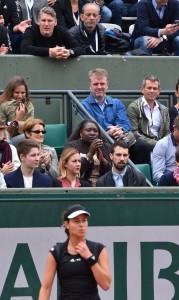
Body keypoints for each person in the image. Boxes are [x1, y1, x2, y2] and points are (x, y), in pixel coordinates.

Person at [38, 204, 111, 300]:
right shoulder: (56, 252)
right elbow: (46, 289)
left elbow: (106, 285)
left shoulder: (99, 249)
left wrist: (90, 257)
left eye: (84, 220)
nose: (81, 225)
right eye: (76, 221)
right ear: (66, 224)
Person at [81, 68, 152, 164]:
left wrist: (120, 130)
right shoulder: (84, 105)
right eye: (95, 84)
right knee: (110, 149)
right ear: (90, 86)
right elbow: (90, 129)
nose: (99, 87)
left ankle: (139, 178)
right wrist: (107, 133)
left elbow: (125, 124)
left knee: (143, 146)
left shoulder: (116, 103)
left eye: (102, 84)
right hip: (101, 142)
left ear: (107, 85)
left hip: (120, 140)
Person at [127, 75, 170, 164]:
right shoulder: (134, 107)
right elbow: (134, 133)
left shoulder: (164, 110)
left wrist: (163, 144)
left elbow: (167, 132)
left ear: (159, 91)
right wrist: (156, 144)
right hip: (142, 146)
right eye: (149, 88)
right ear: (142, 89)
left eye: (155, 88)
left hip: (161, 145)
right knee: (143, 146)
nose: (152, 91)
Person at [21, 6, 85, 58]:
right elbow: (25, 48)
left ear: (55, 22)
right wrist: (50, 51)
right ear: (38, 22)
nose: (46, 24)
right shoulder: (31, 31)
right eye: (43, 20)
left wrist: (69, 52)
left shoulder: (61, 31)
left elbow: (80, 49)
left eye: (49, 21)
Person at [65, 120, 111, 186]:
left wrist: (103, 161)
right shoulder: (72, 146)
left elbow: (113, 173)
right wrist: (90, 154)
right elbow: (72, 172)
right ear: (81, 133)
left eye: (95, 131)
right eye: (88, 130)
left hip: (103, 185)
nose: (92, 133)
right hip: (80, 185)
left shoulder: (106, 146)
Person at [0, 76, 34, 146]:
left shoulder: (29, 105)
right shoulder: (3, 105)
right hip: (7, 139)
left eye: (23, 93)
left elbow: (31, 126)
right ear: (10, 92)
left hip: (25, 137)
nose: (20, 96)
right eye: (17, 92)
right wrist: (18, 118)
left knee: (34, 134)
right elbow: (5, 132)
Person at [152, 115, 179, 183]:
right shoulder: (162, 144)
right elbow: (157, 174)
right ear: (174, 128)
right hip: (170, 185)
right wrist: (173, 181)